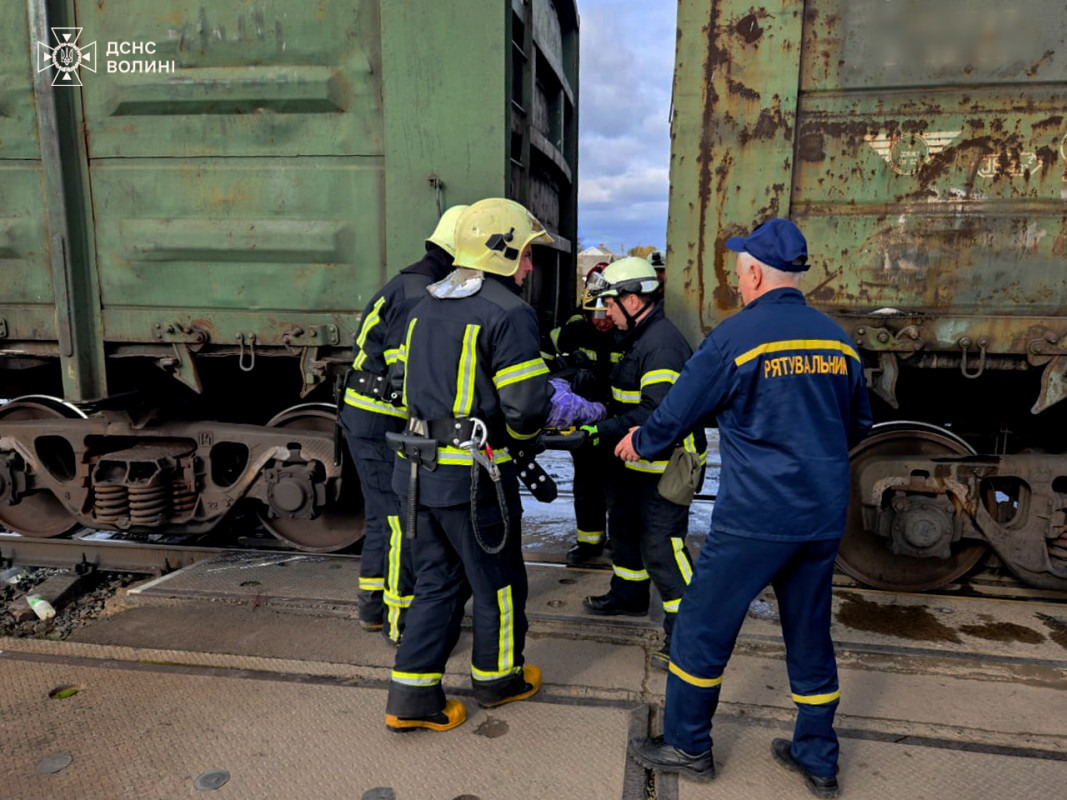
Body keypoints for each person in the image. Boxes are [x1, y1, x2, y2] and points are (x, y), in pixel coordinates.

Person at [622, 219, 873, 797]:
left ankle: (688, 744)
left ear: (755, 273)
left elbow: (679, 410)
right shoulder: (838, 340)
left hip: (756, 520)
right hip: (819, 519)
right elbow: (858, 426)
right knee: (810, 636)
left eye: (740, 268)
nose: (738, 277)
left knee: (700, 630)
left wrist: (641, 442)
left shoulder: (737, 338)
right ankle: (817, 757)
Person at [384, 198, 556, 732]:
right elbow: (526, 408)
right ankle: (499, 679)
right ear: (501, 252)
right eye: (526, 254)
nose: (529, 267)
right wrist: (529, 435)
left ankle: (411, 701)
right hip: (473, 480)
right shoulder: (508, 312)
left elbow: (398, 385)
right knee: (498, 582)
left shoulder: (421, 304)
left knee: (436, 583)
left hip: (415, 471)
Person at [340, 204, 468, 644]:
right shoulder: (421, 292)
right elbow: (408, 372)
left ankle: (373, 609)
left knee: (381, 516)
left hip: (366, 415)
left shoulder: (410, 282)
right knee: (399, 520)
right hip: (382, 421)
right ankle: (401, 626)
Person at [579, 257, 707, 669]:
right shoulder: (638, 336)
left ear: (633, 300)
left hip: (665, 465)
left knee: (662, 547)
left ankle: (687, 637)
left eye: (611, 304)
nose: (607, 313)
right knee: (626, 530)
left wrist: (602, 430)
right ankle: (630, 595)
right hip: (636, 463)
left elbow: (657, 413)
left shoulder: (662, 344)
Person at [548, 262, 620, 565]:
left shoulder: (626, 334)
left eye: (607, 314)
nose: (602, 321)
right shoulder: (574, 331)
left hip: (617, 422)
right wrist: (570, 369)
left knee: (618, 487)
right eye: (597, 314)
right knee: (586, 484)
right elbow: (546, 361)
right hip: (584, 423)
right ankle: (588, 543)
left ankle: (620, 542)